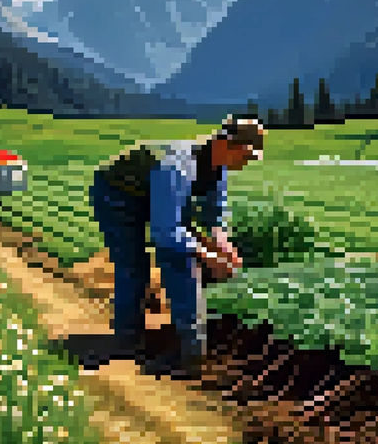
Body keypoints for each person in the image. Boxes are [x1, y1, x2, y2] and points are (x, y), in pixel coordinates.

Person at [88, 115, 265, 379]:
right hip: (116, 196)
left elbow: (214, 219)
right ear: (228, 145)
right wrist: (207, 256)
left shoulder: (218, 168)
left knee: (186, 255)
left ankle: (189, 345)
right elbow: (167, 232)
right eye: (247, 156)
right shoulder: (176, 167)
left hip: (155, 194)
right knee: (135, 266)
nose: (247, 163)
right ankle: (130, 340)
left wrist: (225, 250)